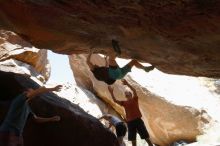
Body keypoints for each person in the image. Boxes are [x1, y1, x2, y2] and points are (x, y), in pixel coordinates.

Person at [87, 40, 154, 85]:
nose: (95, 64)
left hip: (119, 75)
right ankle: (117, 52)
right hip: (114, 75)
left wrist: (105, 60)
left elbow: (107, 67)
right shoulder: (94, 70)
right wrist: (91, 51)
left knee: (133, 61)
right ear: (93, 68)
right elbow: (88, 62)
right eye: (94, 65)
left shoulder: (100, 72)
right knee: (111, 60)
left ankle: (145, 68)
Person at [108, 79, 153, 146]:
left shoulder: (135, 99)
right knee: (133, 141)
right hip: (130, 123)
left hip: (138, 121)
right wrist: (111, 92)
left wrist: (127, 83)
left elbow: (134, 90)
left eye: (127, 94)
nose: (126, 95)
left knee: (146, 138)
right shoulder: (124, 103)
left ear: (131, 95)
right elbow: (115, 100)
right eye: (125, 95)